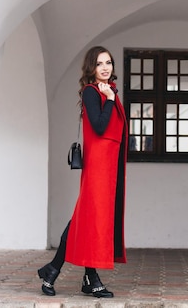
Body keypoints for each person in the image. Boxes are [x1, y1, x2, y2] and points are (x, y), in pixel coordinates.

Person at [37, 46, 128, 297]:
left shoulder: (107, 90)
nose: (105, 67)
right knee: (88, 219)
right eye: (99, 64)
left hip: (108, 165)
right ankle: (70, 272)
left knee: (89, 219)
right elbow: (100, 127)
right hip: (98, 166)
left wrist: (110, 95)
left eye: (108, 62)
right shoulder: (92, 92)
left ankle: (70, 273)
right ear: (91, 67)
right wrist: (109, 99)